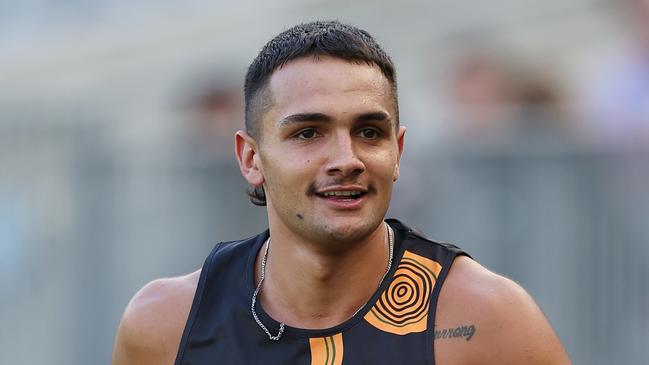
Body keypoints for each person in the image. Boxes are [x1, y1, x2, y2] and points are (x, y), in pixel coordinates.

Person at [112, 21, 571, 364]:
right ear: (251, 159)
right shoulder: (167, 324)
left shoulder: (483, 320)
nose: (346, 158)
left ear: (398, 151)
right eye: (309, 133)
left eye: (369, 131)